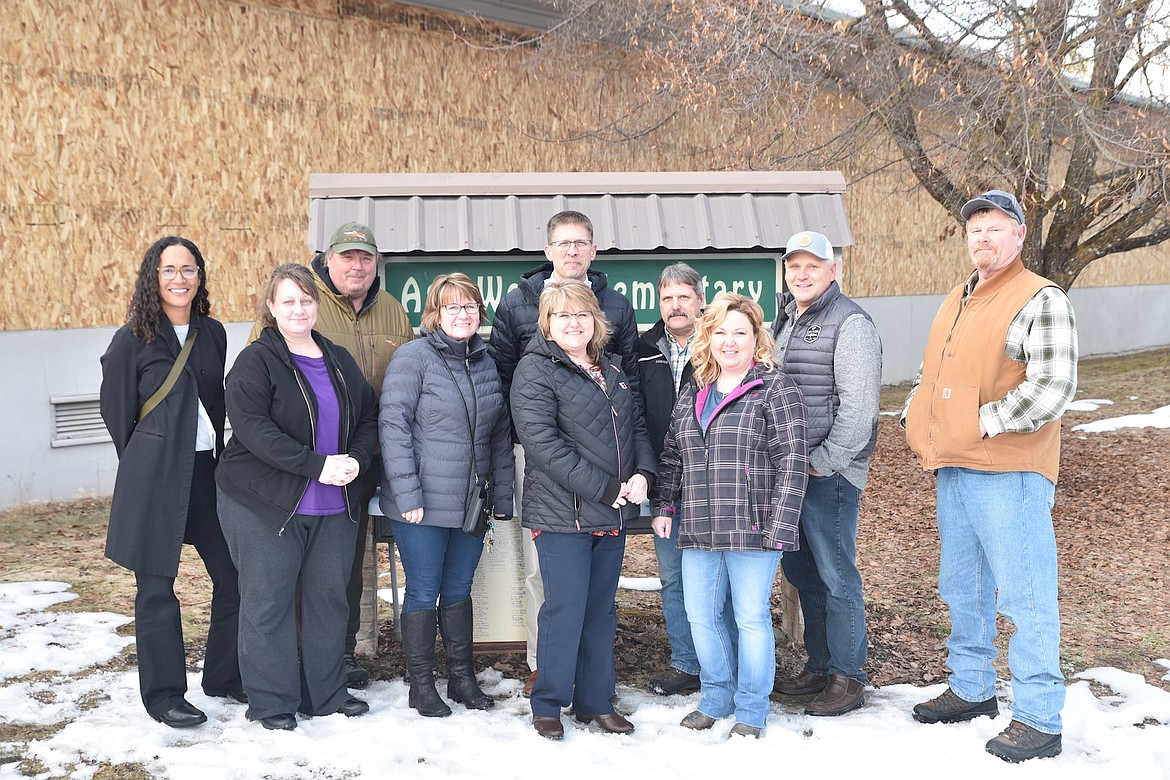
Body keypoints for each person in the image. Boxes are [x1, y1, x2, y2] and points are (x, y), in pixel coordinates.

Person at [903, 190, 1077, 763]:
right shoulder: (958, 297)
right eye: (976, 229)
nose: (983, 237)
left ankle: (1038, 717)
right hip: (954, 464)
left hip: (1010, 469)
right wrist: (919, 414)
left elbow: (1053, 386)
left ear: (1020, 235)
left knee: (1025, 596)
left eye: (996, 228)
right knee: (963, 587)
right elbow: (938, 372)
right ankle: (973, 689)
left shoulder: (1039, 298)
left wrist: (980, 422)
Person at [247, 221, 413, 688]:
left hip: (365, 456)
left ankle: (339, 657)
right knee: (301, 568)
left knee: (346, 566)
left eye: (365, 257)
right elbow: (256, 395)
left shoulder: (394, 313)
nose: (357, 266)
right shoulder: (304, 312)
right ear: (328, 260)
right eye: (347, 257)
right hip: (300, 466)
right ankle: (299, 660)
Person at [217, 263, 378, 731]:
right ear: (271, 307)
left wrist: (358, 459)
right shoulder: (256, 361)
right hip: (266, 503)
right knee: (269, 601)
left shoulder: (338, 358)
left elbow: (368, 416)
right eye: (288, 300)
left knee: (329, 599)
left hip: (334, 503)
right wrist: (318, 465)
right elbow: (255, 431)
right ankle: (272, 703)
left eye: (306, 300)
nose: (299, 308)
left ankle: (326, 694)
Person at [488, 210, 641, 696]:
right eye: (563, 243)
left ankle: (591, 682)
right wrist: (535, 437)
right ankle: (545, 666)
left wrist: (636, 469)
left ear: (593, 250)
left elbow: (628, 381)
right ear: (548, 249)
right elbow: (503, 374)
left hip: (607, 460)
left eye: (581, 243)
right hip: (544, 453)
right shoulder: (518, 303)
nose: (572, 250)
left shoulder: (615, 304)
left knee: (595, 593)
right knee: (546, 574)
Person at [99, 236, 243, 728]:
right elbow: (117, 414)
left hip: (207, 473)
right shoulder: (132, 338)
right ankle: (164, 696)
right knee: (157, 589)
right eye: (168, 269)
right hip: (154, 477)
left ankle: (225, 676)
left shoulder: (214, 333)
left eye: (188, 269)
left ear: (200, 277)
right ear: (152, 277)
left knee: (235, 575)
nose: (179, 278)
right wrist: (147, 458)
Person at [650, 293, 808, 739]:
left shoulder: (776, 389)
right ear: (708, 338)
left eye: (740, 332)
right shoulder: (695, 391)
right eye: (720, 332)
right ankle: (716, 696)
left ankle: (752, 709)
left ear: (757, 338)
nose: (730, 341)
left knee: (749, 617)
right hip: (698, 523)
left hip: (753, 526)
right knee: (700, 615)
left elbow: (792, 462)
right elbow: (672, 455)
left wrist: (781, 525)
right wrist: (664, 506)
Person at [510, 280, 656, 740]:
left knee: (599, 611)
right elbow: (544, 445)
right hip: (562, 515)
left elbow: (636, 428)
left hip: (610, 513)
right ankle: (548, 702)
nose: (573, 323)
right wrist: (605, 488)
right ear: (547, 324)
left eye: (581, 314)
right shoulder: (534, 370)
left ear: (596, 320)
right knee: (564, 610)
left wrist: (643, 475)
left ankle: (595, 700)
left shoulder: (610, 368)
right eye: (562, 316)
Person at [378, 273, 514, 718]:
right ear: (435, 314)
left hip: (471, 503)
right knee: (423, 590)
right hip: (420, 502)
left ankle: (461, 678)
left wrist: (502, 495)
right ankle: (421, 684)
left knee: (458, 589)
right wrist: (406, 493)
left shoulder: (486, 361)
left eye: (470, 306)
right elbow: (393, 429)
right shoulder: (413, 359)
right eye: (452, 307)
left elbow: (497, 435)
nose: (463, 314)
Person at [770, 231, 882, 716]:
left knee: (836, 574)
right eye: (794, 266)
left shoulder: (849, 322)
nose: (802, 274)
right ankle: (819, 664)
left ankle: (848, 675)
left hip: (828, 474)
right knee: (803, 572)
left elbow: (860, 409)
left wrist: (824, 461)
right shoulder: (789, 317)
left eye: (812, 265)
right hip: (793, 472)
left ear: (833, 270)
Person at [637, 262, 736, 696]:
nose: (675, 306)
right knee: (675, 577)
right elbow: (636, 417)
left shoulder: (721, 345)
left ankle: (728, 663)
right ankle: (687, 663)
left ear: (700, 299)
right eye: (667, 298)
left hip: (719, 485)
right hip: (667, 485)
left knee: (723, 580)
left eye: (684, 297)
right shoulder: (643, 348)